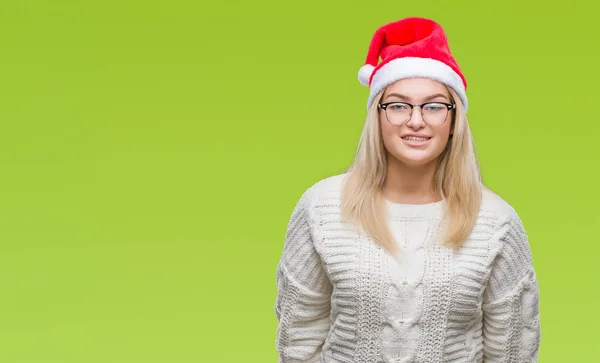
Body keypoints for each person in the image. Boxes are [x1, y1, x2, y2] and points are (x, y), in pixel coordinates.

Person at [274, 17, 541, 363]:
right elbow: (299, 339)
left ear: (454, 120)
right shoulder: (322, 208)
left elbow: (513, 351)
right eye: (398, 105)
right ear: (378, 117)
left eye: (433, 106)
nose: (416, 121)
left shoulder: (495, 223)